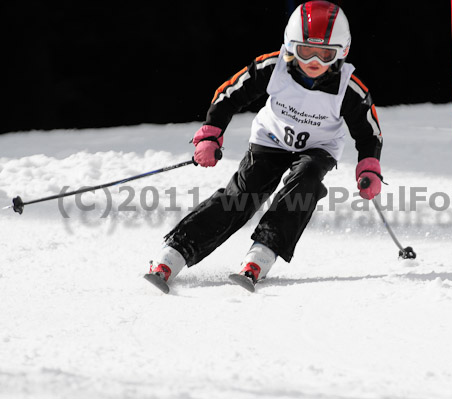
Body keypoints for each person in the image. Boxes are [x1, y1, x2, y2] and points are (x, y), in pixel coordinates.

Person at [145, 1, 383, 293]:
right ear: (290, 46)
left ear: (341, 53)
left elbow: (368, 132)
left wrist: (369, 165)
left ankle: (262, 253)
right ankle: (175, 252)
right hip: (270, 139)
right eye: (306, 51)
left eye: (326, 54)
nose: (315, 62)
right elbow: (229, 94)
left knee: (306, 178)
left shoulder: (349, 88)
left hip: (319, 148)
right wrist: (211, 134)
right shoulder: (274, 67)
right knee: (243, 196)